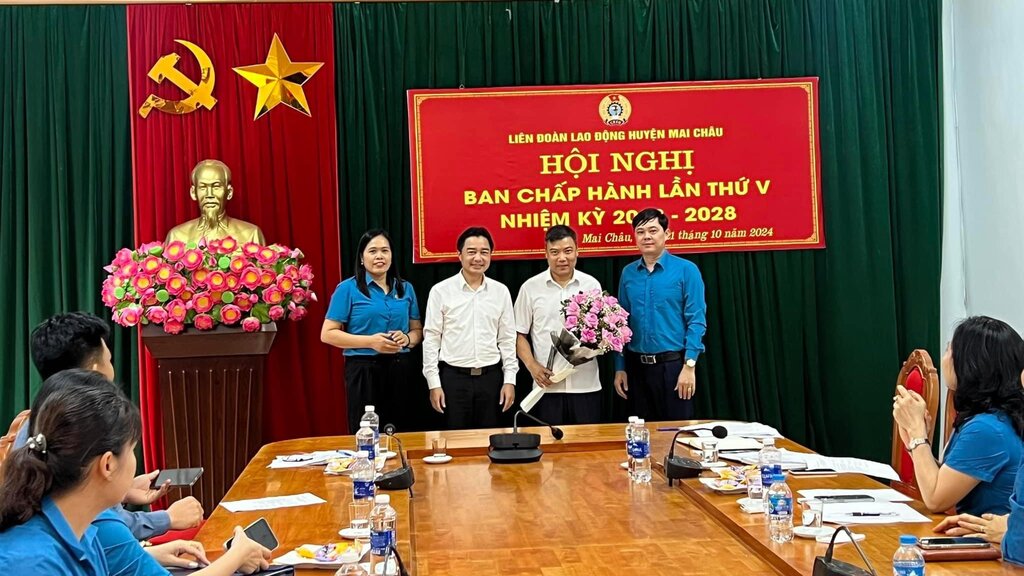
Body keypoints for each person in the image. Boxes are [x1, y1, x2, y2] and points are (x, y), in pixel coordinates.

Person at [0, 370, 270, 575]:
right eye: (131, 449)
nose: (135, 462)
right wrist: (236, 556)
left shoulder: (81, 532)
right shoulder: (32, 561)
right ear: (107, 464)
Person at [15, 312, 203, 540]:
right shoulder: (88, 425)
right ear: (95, 370)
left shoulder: (35, 422)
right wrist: (167, 518)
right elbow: (99, 528)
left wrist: (122, 490)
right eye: (109, 360)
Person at [894, 316, 1024, 515]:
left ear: (971, 364)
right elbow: (947, 485)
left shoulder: (987, 429)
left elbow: (937, 501)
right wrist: (916, 443)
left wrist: (917, 433)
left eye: (949, 349)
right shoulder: (989, 418)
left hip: (990, 543)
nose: (945, 357)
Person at [322, 229, 423, 433]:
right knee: (367, 433)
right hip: (363, 370)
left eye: (385, 251)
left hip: (400, 370)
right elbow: (328, 333)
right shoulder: (347, 289)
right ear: (361, 258)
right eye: (373, 251)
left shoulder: (405, 288)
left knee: (404, 430)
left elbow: (417, 331)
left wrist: (406, 339)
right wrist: (370, 342)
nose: (380, 256)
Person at [613, 208, 707, 420]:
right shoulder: (628, 273)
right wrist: (620, 367)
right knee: (639, 435)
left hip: (674, 368)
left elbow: (697, 320)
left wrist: (689, 366)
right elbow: (620, 324)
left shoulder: (687, 270)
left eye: (653, 230)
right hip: (636, 370)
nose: (647, 236)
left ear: (667, 234)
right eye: (640, 231)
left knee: (675, 434)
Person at [422, 227, 518, 429]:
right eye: (471, 252)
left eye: (484, 252)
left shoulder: (501, 292)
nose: (478, 258)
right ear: (460, 255)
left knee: (491, 441)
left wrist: (510, 380)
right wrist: (434, 383)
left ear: (491, 255)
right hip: (453, 380)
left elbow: (507, 339)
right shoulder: (441, 291)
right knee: (455, 444)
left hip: (491, 379)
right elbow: (431, 339)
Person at [513, 225, 603, 425]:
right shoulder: (530, 288)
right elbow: (519, 335)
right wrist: (532, 366)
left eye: (567, 251)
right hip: (546, 386)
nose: (562, 258)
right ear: (546, 254)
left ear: (577, 252)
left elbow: (600, 332)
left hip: (585, 385)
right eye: (554, 252)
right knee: (548, 451)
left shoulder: (591, 285)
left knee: (589, 451)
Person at [165, 159, 265, 245]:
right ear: (193, 192)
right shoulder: (176, 236)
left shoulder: (251, 234)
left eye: (216, 186)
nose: (209, 194)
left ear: (229, 192)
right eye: (203, 187)